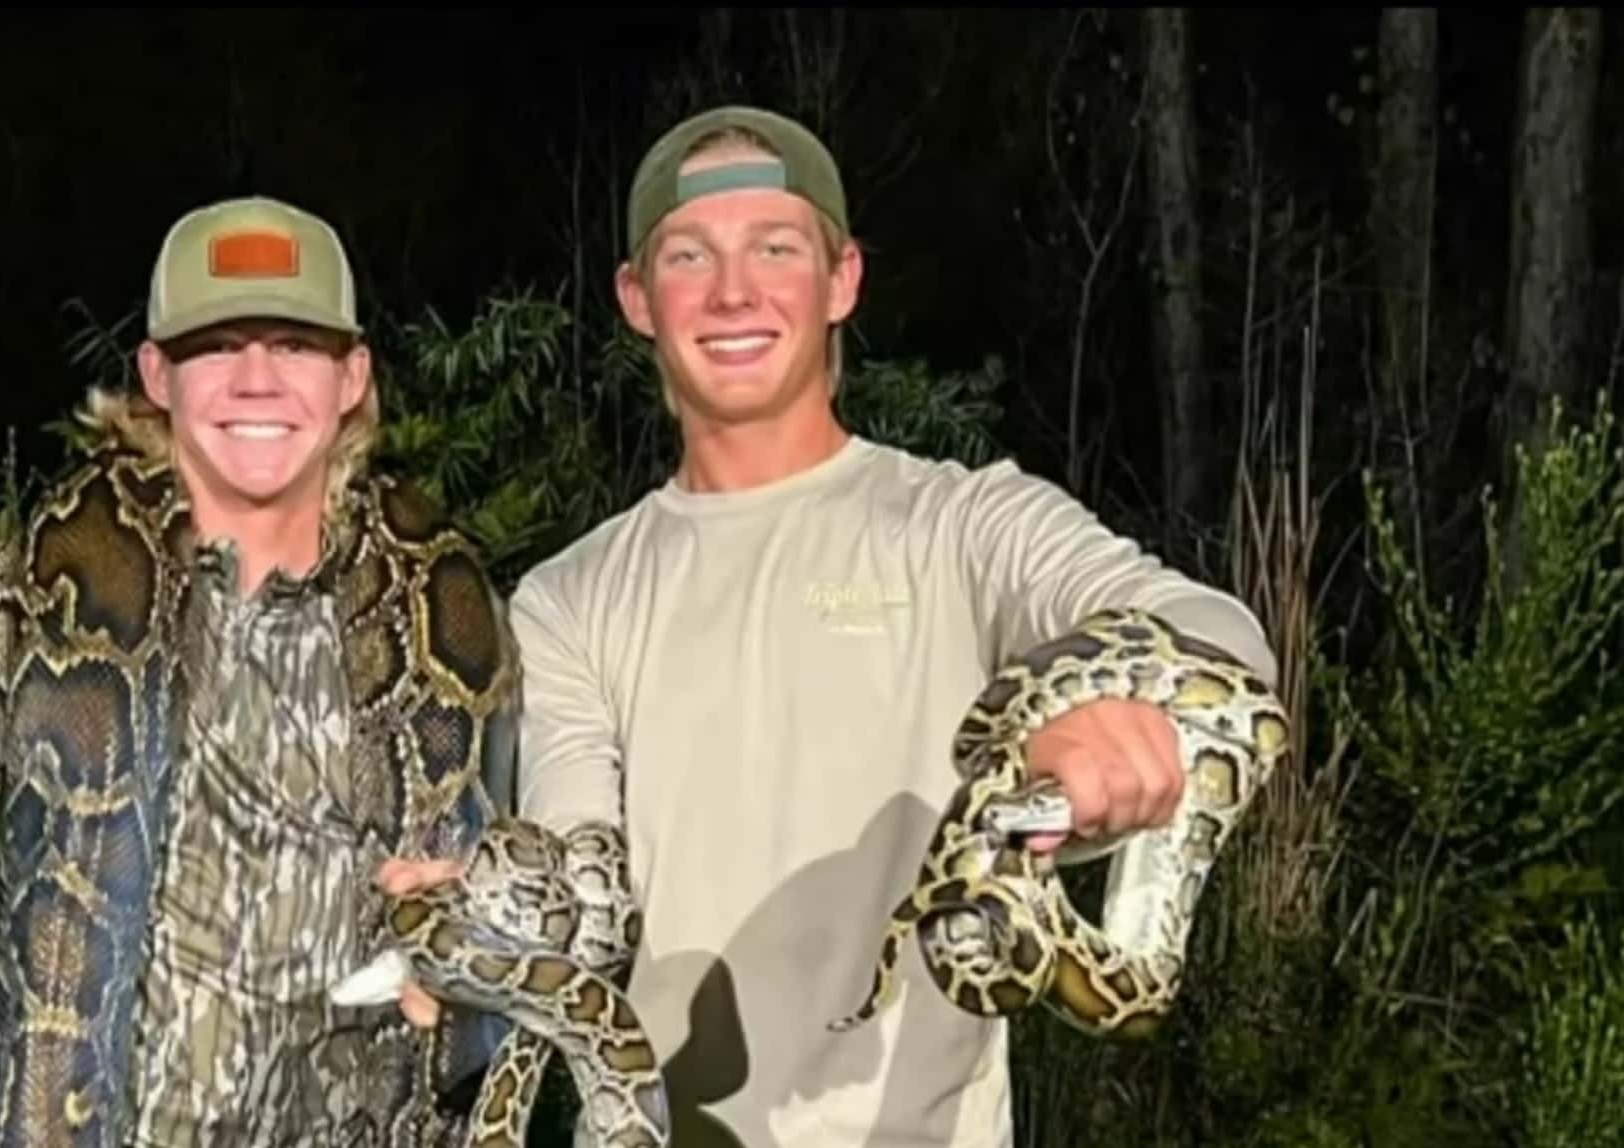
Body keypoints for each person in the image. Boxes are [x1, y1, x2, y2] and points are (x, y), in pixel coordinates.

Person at [384, 105, 1279, 1146]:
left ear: (842, 278)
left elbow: (1215, 635)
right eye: (689, 256)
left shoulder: (964, 521)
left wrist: (1132, 719)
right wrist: (469, 920)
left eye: (776, 247)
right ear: (636, 297)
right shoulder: (567, 596)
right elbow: (588, 882)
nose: (733, 291)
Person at [0, 194, 520, 1148]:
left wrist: (482, 931)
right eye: (215, 346)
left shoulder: (448, 604)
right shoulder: (49, 580)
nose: (254, 381)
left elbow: (504, 912)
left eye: (292, 345)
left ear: (351, 376)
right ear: (157, 372)